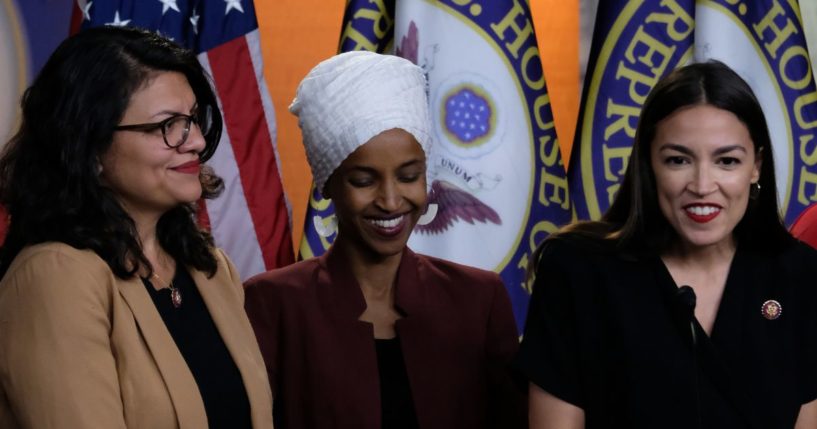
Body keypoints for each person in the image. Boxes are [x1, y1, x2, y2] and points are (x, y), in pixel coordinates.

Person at [515, 61, 817, 428]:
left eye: (727, 161)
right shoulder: (578, 270)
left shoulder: (799, 274)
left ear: (756, 166)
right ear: (648, 164)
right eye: (678, 160)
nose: (703, 184)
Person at [0, 27, 272, 428]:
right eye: (169, 125)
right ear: (89, 148)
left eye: (194, 119)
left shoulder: (211, 269)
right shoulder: (54, 275)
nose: (196, 140)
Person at [243, 51, 526, 429]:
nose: (391, 200)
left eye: (409, 177)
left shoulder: (479, 298)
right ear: (328, 185)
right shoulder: (271, 303)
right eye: (364, 181)